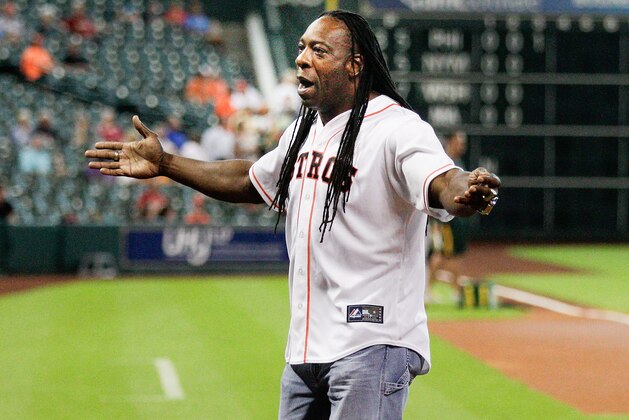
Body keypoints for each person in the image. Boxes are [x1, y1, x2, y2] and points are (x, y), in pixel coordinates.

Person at [86, 10, 500, 419]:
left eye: (319, 51)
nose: (302, 58)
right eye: (301, 48)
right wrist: (167, 164)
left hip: (372, 342)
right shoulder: (306, 128)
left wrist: (465, 189)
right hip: (307, 348)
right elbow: (251, 180)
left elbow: (442, 180)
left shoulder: (397, 128)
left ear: (355, 65)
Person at [427, 130, 472, 302]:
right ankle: (427, 289)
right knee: (442, 253)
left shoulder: (458, 162)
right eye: (458, 142)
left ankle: (455, 289)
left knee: (455, 253)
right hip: (443, 218)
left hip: (456, 218)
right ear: (450, 142)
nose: (461, 146)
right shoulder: (444, 162)